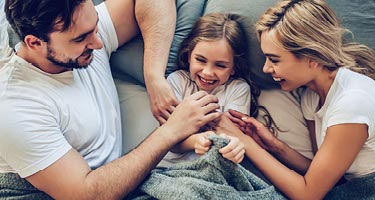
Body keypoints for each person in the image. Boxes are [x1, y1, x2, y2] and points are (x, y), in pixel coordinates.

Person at [0, 0, 222, 199]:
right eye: (81, 39)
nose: (98, 43)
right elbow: (85, 195)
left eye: (95, 26)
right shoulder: (15, 107)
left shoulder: (81, 28)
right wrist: (172, 130)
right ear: (34, 43)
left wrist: (153, 75)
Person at [215, 0, 375, 199]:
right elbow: (317, 173)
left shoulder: (352, 103)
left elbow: (308, 194)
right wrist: (272, 146)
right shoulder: (311, 97)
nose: (266, 69)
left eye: (274, 60)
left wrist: (243, 142)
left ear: (312, 58)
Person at [158, 13, 256, 167]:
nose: (207, 72)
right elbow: (169, 139)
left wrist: (233, 148)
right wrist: (196, 140)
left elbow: (232, 137)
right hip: (167, 168)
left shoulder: (238, 89)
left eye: (220, 65)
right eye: (200, 60)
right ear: (189, 56)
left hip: (210, 170)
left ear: (234, 68)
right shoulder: (177, 81)